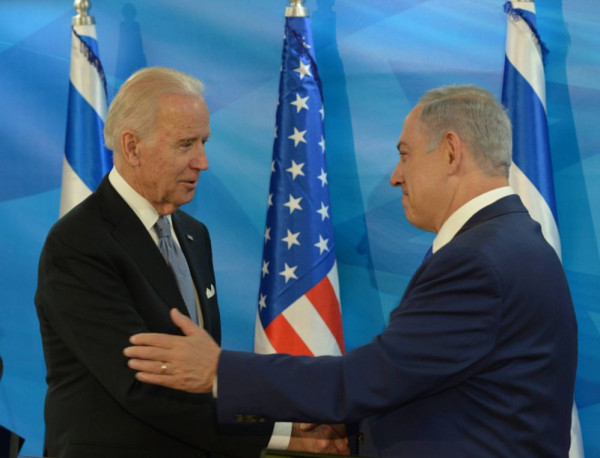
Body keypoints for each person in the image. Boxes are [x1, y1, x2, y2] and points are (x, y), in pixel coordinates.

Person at [124, 85, 578, 457]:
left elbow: (374, 377)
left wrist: (219, 370)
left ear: (451, 152)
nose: (396, 176)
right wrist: (357, 425)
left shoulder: (478, 260)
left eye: (405, 154)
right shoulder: (509, 242)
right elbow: (428, 386)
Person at [35, 67, 348, 458]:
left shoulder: (193, 234)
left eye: (204, 142)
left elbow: (201, 372)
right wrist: (284, 431)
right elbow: (141, 385)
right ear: (132, 147)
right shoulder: (80, 243)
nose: (203, 161)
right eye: (186, 144)